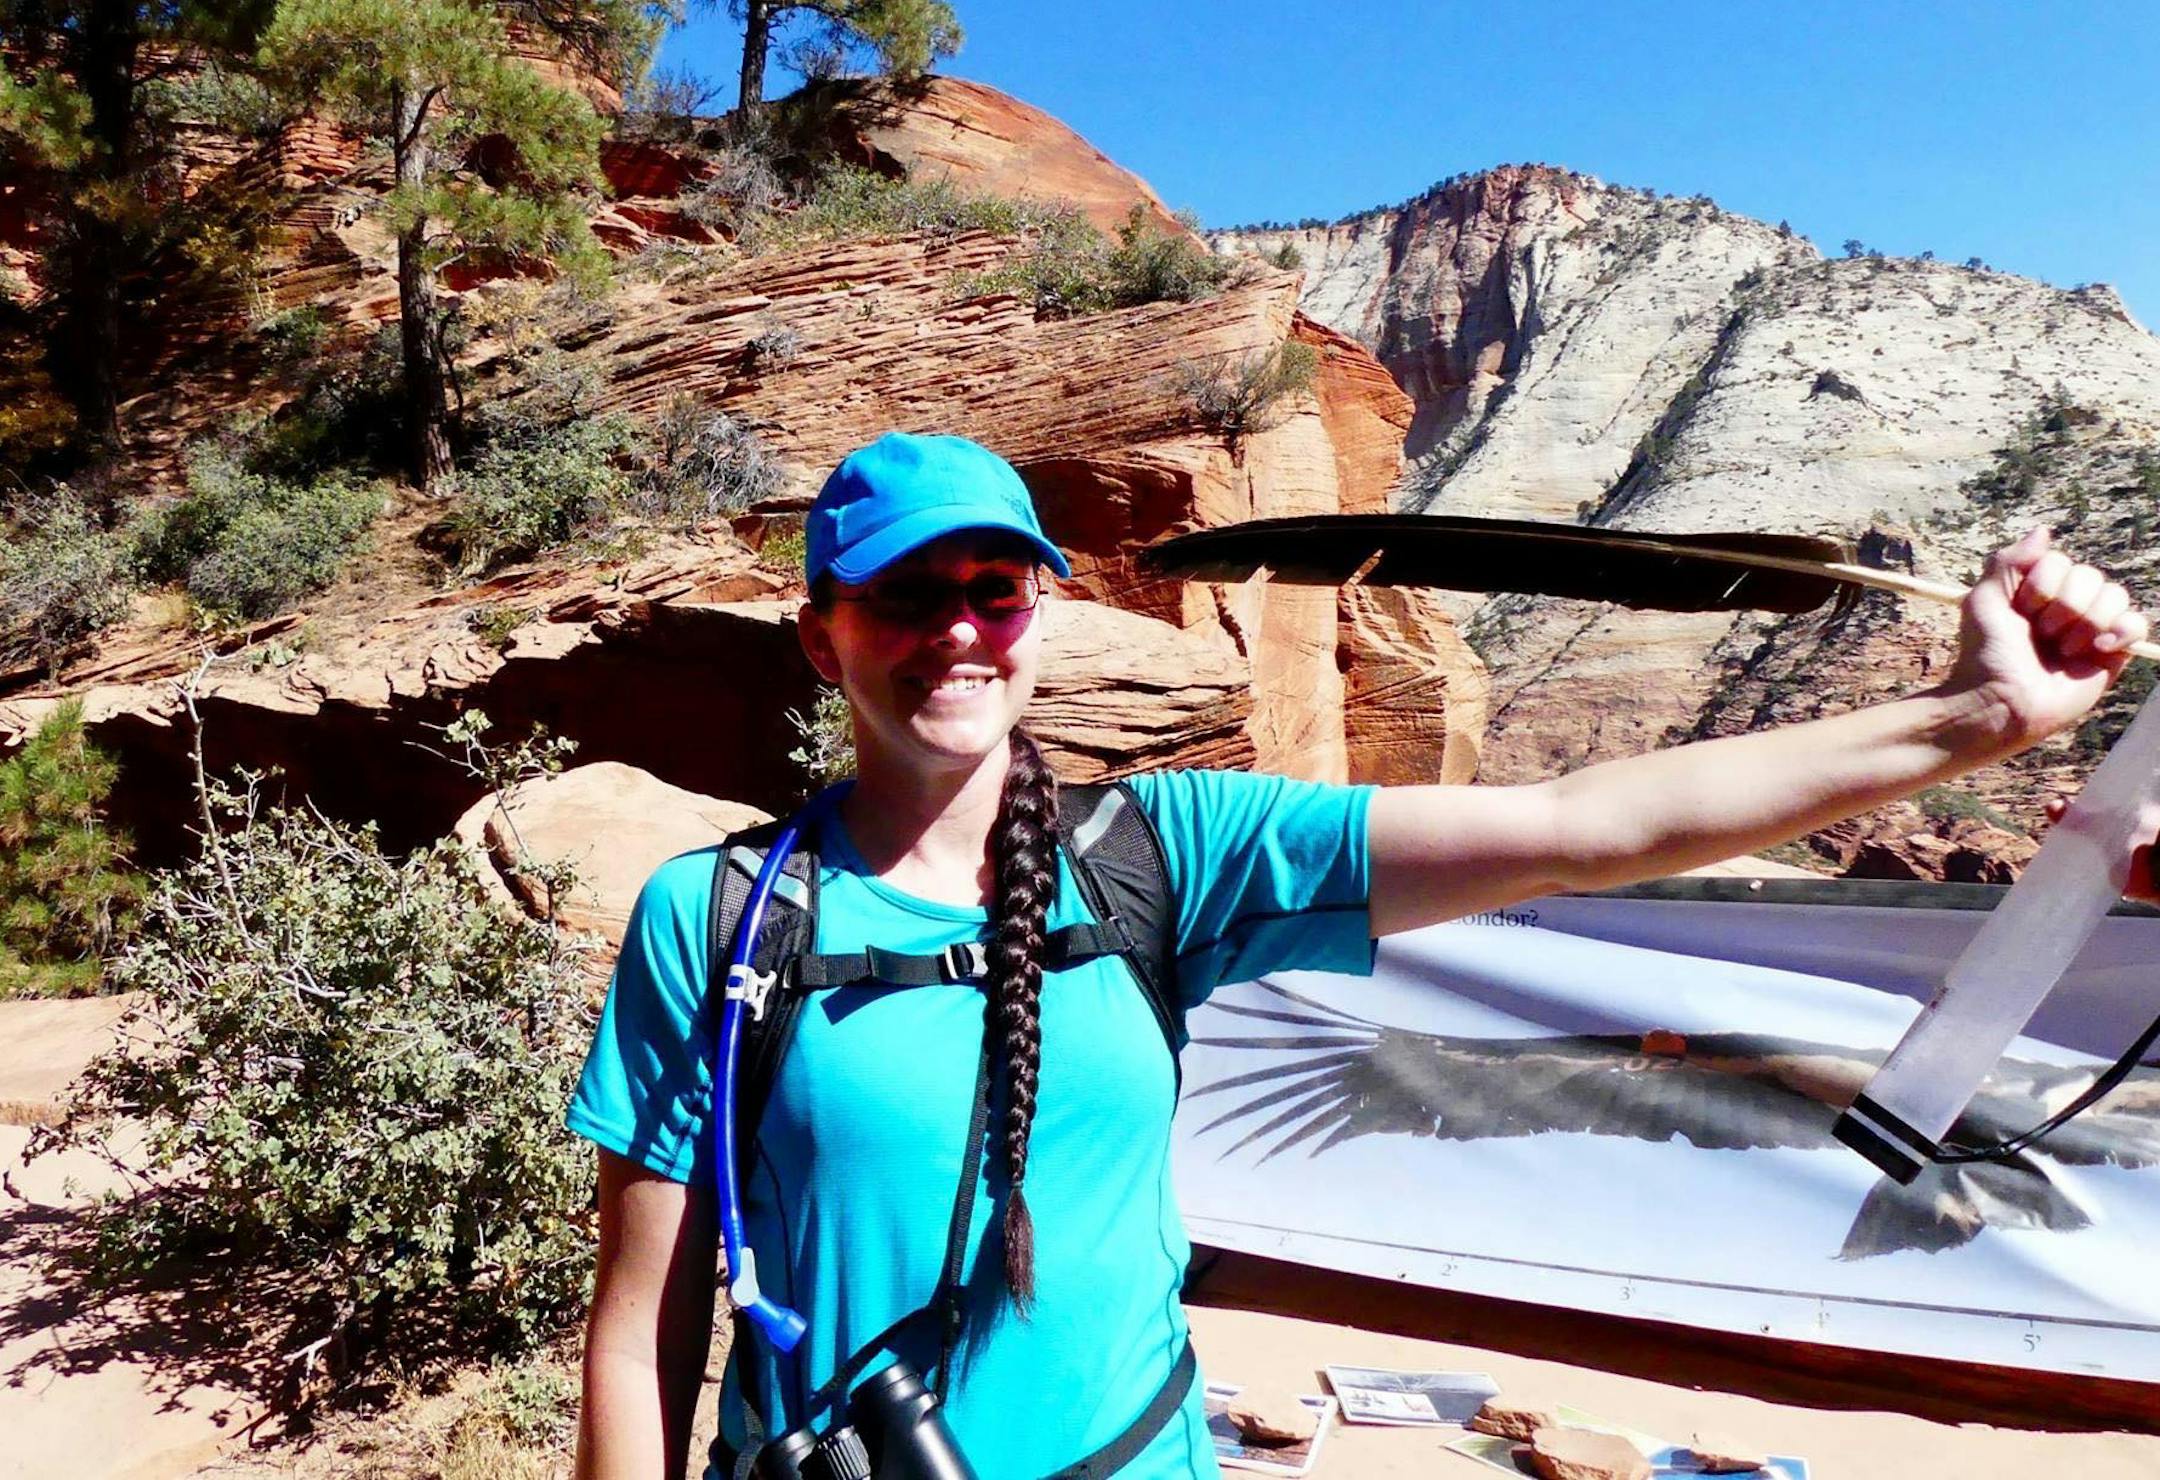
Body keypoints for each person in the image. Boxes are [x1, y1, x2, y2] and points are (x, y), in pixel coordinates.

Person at [568, 431, 2158, 1480]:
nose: (957, 630)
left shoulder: (1160, 856)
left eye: (993, 589)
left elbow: (1587, 824)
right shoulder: (719, 920)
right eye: (905, 595)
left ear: (1040, 613)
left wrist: (1978, 718)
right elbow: (641, 1324)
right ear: (822, 632)